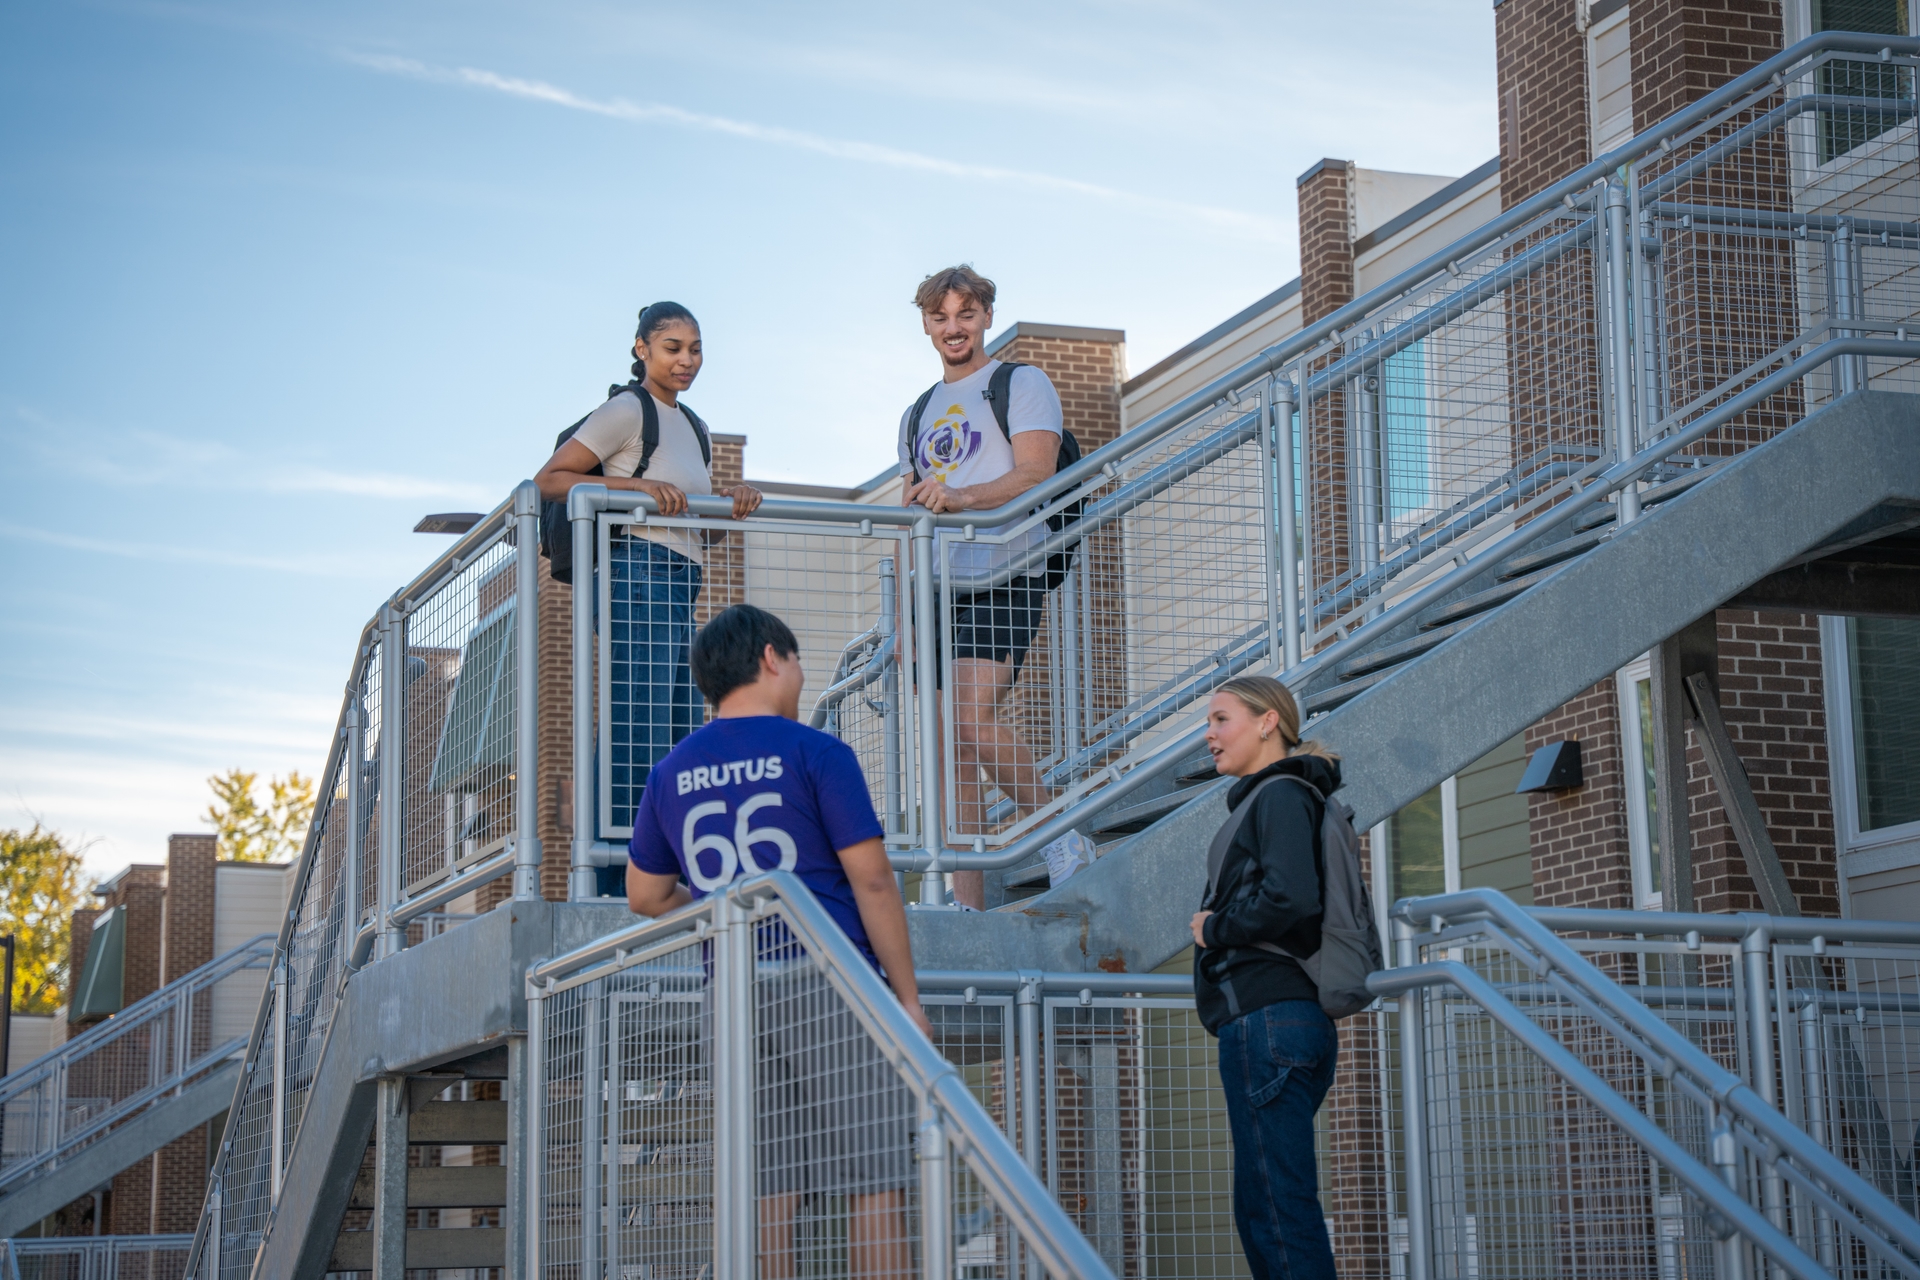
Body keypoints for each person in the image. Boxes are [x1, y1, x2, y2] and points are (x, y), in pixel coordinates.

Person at [626, 604, 929, 1280]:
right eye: (796, 662)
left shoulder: (671, 770)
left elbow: (644, 895)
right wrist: (906, 998)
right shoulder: (815, 750)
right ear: (771, 658)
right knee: (874, 1174)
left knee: (769, 1187)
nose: (799, 676)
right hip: (828, 980)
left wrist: (713, 909)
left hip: (729, 991)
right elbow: (874, 882)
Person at [535, 302, 762, 894]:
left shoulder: (695, 427)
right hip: (635, 572)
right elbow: (552, 479)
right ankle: (610, 881)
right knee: (636, 721)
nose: (686, 360)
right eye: (672, 348)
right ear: (642, 349)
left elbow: (701, 530)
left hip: (679, 580)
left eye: (695, 348)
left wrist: (731, 502)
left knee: (675, 725)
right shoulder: (628, 409)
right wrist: (637, 487)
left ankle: (659, 872)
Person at [897, 265, 1064, 908]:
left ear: (987, 316)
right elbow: (907, 515)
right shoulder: (916, 412)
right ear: (926, 325)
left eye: (965, 314)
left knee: (973, 720)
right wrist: (904, 616)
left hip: (1004, 568)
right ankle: (966, 906)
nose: (953, 328)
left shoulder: (1019, 382)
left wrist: (963, 496)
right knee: (949, 756)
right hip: (938, 585)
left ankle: (1061, 839)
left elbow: (1036, 472)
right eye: (939, 318)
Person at [1189, 675, 1341, 1280]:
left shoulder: (1279, 794)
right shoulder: (1281, 795)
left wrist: (1214, 927)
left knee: (1277, 1208)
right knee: (1265, 1204)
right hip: (1280, 1022)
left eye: (1221, 719)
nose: (1209, 735)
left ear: (1267, 721)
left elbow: (1291, 899)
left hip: (1269, 1020)